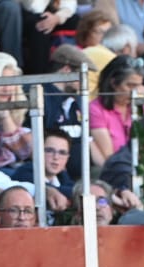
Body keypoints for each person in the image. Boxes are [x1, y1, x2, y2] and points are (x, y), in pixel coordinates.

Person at [90, 54, 144, 166]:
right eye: (131, 86)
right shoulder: (96, 109)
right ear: (113, 83)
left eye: (138, 86)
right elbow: (109, 156)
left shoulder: (143, 108)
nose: (135, 92)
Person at [42, 44, 88, 181]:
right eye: (82, 76)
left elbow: (88, 140)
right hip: (56, 176)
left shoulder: (77, 101)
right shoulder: (43, 96)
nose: (84, 83)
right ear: (67, 70)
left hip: (81, 176)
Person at [13, 128, 75, 223]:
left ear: (68, 158)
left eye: (62, 153)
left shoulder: (64, 178)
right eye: (49, 150)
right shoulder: (24, 173)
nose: (56, 157)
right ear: (38, 152)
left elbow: (74, 191)